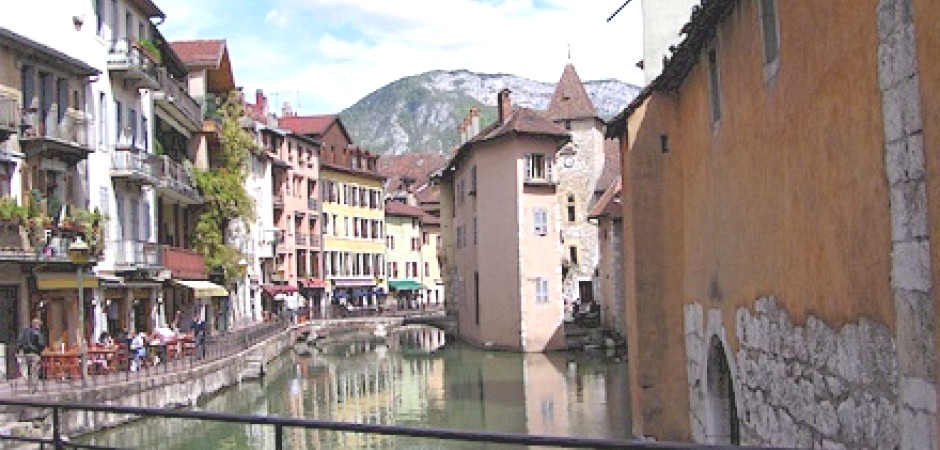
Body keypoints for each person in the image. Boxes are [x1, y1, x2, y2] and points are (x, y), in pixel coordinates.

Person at [17, 318, 45, 393]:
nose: (40, 327)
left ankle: (29, 387)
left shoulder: (25, 331)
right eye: (39, 325)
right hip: (34, 354)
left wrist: (20, 350)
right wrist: (40, 350)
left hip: (26, 354)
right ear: (36, 325)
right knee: (34, 371)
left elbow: (20, 342)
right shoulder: (36, 332)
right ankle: (34, 388)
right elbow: (41, 343)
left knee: (28, 371)